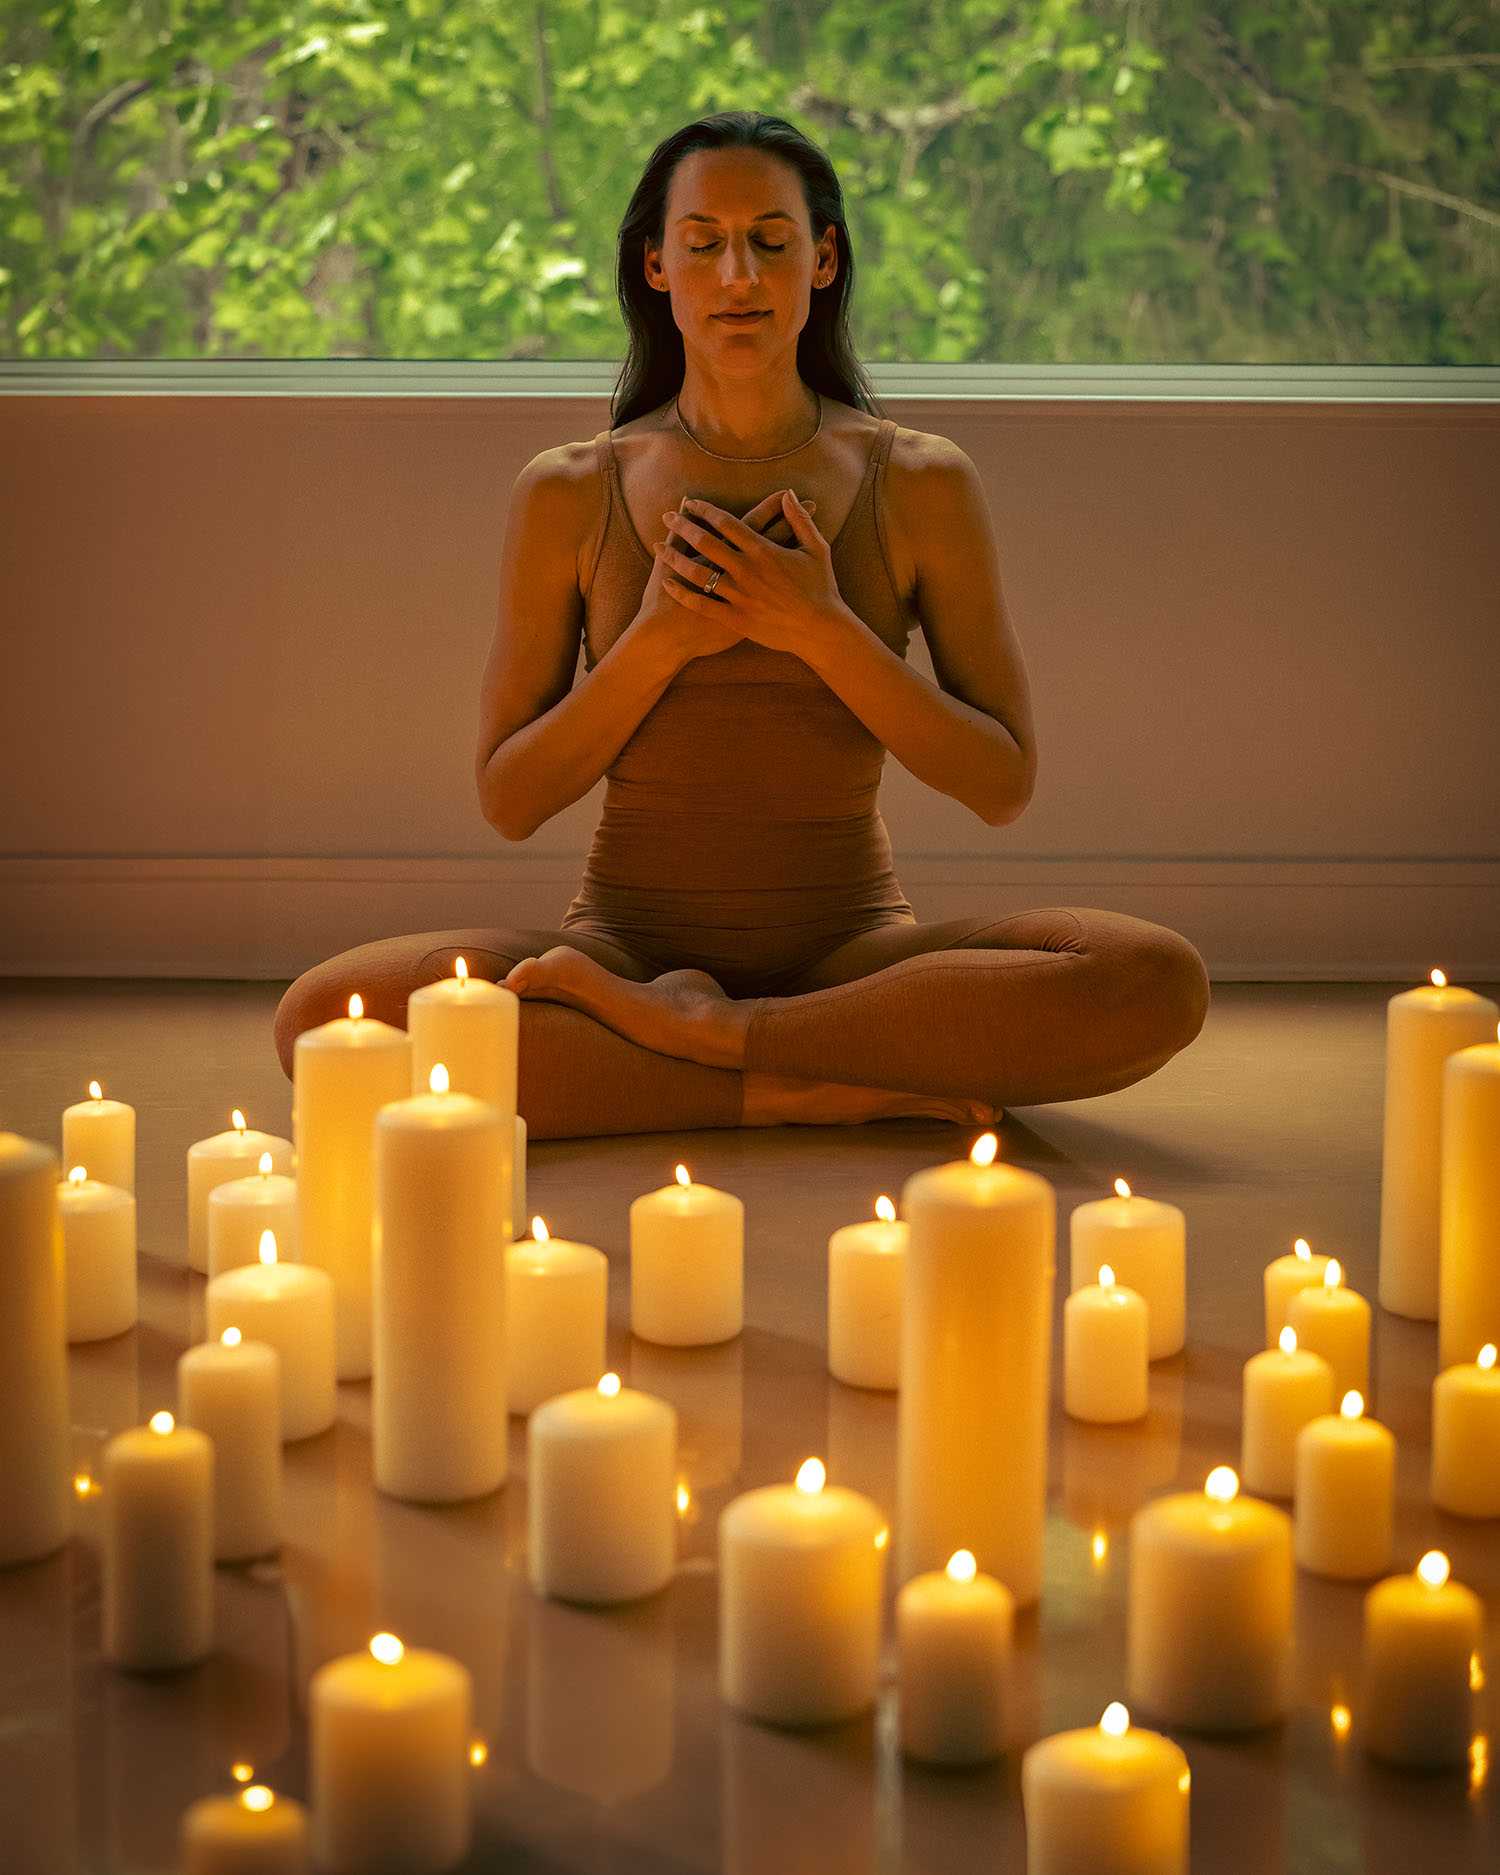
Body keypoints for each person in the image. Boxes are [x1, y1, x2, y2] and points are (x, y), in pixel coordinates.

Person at [273, 110, 1209, 1139]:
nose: (739, 277)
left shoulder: (921, 481)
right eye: (704, 244)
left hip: (853, 959)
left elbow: (1002, 781)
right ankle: (800, 1078)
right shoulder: (571, 491)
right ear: (658, 266)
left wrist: (819, 626)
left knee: (1149, 979)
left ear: (823, 260)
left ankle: (715, 1045)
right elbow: (510, 795)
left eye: (771, 241)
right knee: (326, 1020)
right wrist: (662, 638)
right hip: (622, 951)